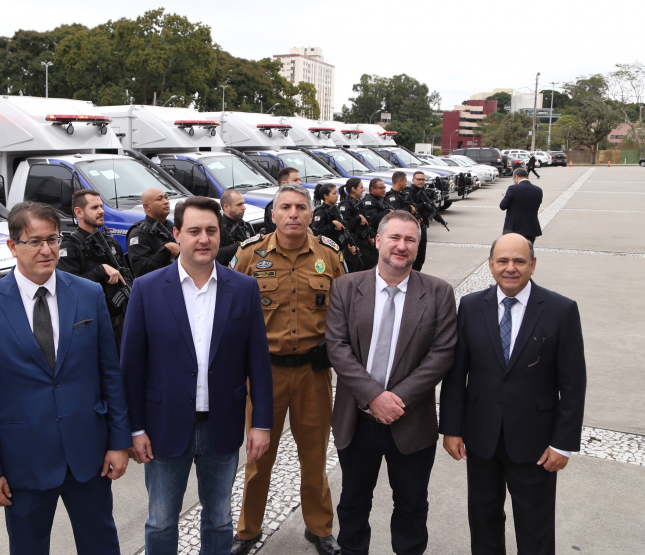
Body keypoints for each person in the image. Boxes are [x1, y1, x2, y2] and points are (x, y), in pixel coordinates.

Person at [0, 201, 131, 555]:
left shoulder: (87, 294)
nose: (46, 250)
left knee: (101, 543)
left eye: (53, 239)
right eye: (35, 241)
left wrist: (119, 441)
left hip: (88, 454)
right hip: (23, 461)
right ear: (12, 246)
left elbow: (109, 373)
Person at [121, 196, 274, 555]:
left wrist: (261, 424)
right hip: (163, 426)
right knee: (161, 521)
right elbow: (131, 367)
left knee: (219, 519)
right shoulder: (146, 289)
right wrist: (134, 428)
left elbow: (258, 363)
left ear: (220, 235)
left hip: (223, 424)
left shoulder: (244, 289)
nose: (203, 239)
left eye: (211, 230)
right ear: (176, 234)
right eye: (193, 231)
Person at [439, 233, 586, 555]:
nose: (510, 268)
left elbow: (574, 384)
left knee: (535, 528)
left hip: (536, 443)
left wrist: (562, 443)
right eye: (503, 260)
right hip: (481, 438)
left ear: (533, 264)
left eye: (519, 261)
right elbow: (456, 373)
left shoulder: (560, 310)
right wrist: (451, 428)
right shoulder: (471, 306)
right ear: (490, 265)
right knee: (484, 521)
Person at [325, 210, 457, 555]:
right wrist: (374, 397)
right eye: (395, 238)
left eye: (410, 240)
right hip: (358, 420)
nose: (402, 246)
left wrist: (396, 399)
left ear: (417, 246)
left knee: (412, 507)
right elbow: (337, 346)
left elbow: (442, 354)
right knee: (353, 503)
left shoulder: (439, 292)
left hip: (411, 420)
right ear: (377, 240)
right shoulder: (346, 287)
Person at [231, 184, 346, 555]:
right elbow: (230, 310)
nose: (293, 214)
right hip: (265, 375)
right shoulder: (249, 255)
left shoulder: (329, 255)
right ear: (273, 214)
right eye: (285, 207)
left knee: (314, 456)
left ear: (311, 213)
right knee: (258, 457)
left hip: (314, 373)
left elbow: (345, 306)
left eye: (300, 207)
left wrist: (335, 345)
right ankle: (247, 530)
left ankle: (319, 528)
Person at [58, 190, 132, 348]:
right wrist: (100, 270)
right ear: (79, 212)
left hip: (119, 321)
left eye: (101, 206)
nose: (101, 211)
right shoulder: (70, 247)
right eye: (94, 207)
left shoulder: (111, 243)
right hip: (90, 324)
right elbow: (67, 288)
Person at [128, 187, 180, 277]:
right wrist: (165, 250)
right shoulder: (139, 233)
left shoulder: (171, 226)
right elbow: (140, 271)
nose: (166, 201)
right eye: (159, 199)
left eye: (166, 198)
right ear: (147, 207)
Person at [312, 183, 358, 267]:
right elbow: (318, 233)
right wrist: (332, 225)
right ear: (326, 196)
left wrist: (348, 244)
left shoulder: (335, 209)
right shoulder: (320, 212)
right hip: (327, 252)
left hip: (340, 250)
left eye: (337, 193)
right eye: (334, 193)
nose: (337, 195)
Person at [338, 179, 374, 272]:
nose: (363, 190)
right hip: (356, 246)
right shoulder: (346, 205)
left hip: (365, 245)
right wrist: (358, 218)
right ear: (353, 189)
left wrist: (370, 235)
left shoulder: (358, 203)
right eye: (361, 187)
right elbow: (346, 226)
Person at [500, 168, 543, 244]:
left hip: (514, 228)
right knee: (528, 249)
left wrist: (506, 198)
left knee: (513, 249)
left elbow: (502, 206)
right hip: (531, 227)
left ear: (516, 176)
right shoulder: (538, 190)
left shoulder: (513, 188)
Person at [216, 189, 255, 266]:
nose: (244, 207)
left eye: (243, 203)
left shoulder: (246, 226)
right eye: (239, 204)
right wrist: (239, 245)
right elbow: (216, 255)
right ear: (226, 207)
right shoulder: (218, 229)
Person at [404, 171, 432, 272]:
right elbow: (410, 209)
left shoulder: (424, 191)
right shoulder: (409, 192)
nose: (421, 181)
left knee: (421, 255)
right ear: (413, 180)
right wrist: (422, 205)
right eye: (418, 179)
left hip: (423, 225)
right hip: (413, 227)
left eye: (423, 179)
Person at [262, 167, 303, 233]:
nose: (299, 183)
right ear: (284, 184)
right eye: (295, 180)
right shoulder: (274, 206)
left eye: (299, 180)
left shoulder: (302, 202)